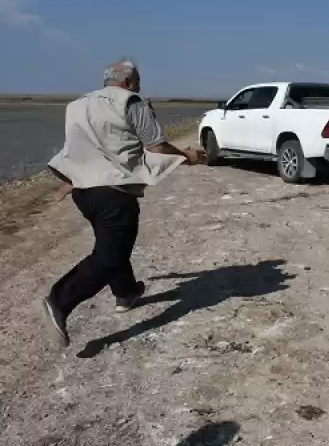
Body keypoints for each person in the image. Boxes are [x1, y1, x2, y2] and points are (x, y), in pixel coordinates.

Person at [38, 58, 205, 347]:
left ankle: (126, 292)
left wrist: (70, 182)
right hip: (113, 193)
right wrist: (187, 156)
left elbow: (79, 149)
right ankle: (58, 301)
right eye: (137, 81)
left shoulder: (77, 105)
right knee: (110, 255)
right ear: (128, 82)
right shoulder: (131, 102)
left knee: (114, 243)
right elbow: (157, 146)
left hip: (84, 193)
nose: (139, 86)